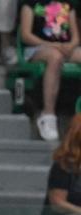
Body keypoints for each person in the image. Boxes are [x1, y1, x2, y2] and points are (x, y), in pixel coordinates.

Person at [20, 0, 81, 142]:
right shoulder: (30, 5)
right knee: (55, 57)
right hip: (37, 49)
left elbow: (76, 38)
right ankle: (48, 115)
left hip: (63, 47)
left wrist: (70, 45)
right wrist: (52, 45)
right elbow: (26, 35)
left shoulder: (68, 5)